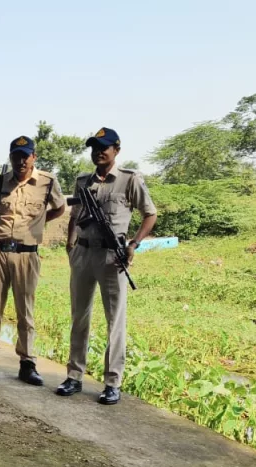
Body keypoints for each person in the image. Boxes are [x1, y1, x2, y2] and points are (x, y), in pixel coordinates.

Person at [58, 128, 157, 406]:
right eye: (94, 148)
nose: (98, 152)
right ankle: (74, 376)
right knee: (79, 316)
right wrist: (70, 246)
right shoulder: (83, 181)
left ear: (116, 150)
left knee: (115, 321)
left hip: (112, 258)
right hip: (83, 254)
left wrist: (134, 244)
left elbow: (150, 214)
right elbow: (74, 216)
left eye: (104, 147)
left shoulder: (129, 179)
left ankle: (112, 382)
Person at [0, 136, 66, 386]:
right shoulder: (0, 182)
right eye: (16, 156)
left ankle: (27, 363)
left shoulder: (47, 183)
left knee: (26, 312)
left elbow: (60, 208)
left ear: (34, 157)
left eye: (26, 155)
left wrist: (38, 223)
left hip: (27, 254)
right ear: (10, 157)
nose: (21, 160)